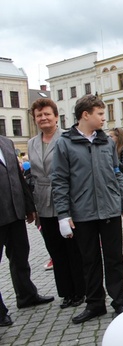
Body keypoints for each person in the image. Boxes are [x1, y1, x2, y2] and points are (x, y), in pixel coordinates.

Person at [51, 94, 123, 324]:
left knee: (114, 259)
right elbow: (59, 180)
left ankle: (120, 301)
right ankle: (95, 303)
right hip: (82, 213)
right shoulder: (65, 143)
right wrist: (63, 215)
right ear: (85, 115)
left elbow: (117, 174)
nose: (104, 119)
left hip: (109, 210)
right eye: (100, 114)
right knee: (89, 261)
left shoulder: (107, 141)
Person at [27, 98, 85, 310]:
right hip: (43, 203)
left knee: (73, 249)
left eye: (46, 114)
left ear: (55, 116)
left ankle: (80, 290)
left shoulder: (67, 138)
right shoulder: (32, 143)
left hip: (67, 201)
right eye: (39, 115)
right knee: (55, 251)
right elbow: (33, 175)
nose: (43, 118)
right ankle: (66, 292)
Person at [0, 135, 54, 327]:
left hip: (14, 213)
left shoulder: (6, 142)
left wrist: (29, 206)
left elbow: (18, 177)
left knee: (21, 257)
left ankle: (26, 296)